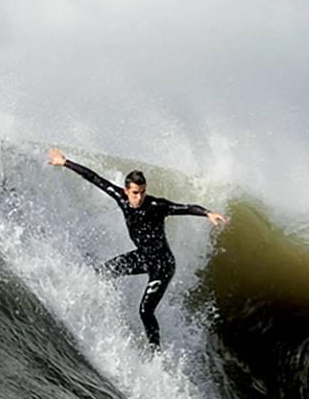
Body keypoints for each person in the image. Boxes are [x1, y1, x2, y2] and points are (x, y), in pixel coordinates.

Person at [48, 147, 227, 347]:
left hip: (162, 265)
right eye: (135, 193)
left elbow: (183, 207)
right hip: (142, 257)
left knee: (145, 311)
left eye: (142, 192)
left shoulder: (156, 206)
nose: (139, 197)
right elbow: (96, 179)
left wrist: (207, 213)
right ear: (126, 191)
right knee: (102, 272)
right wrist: (65, 162)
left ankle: (155, 352)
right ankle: (82, 309)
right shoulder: (122, 198)